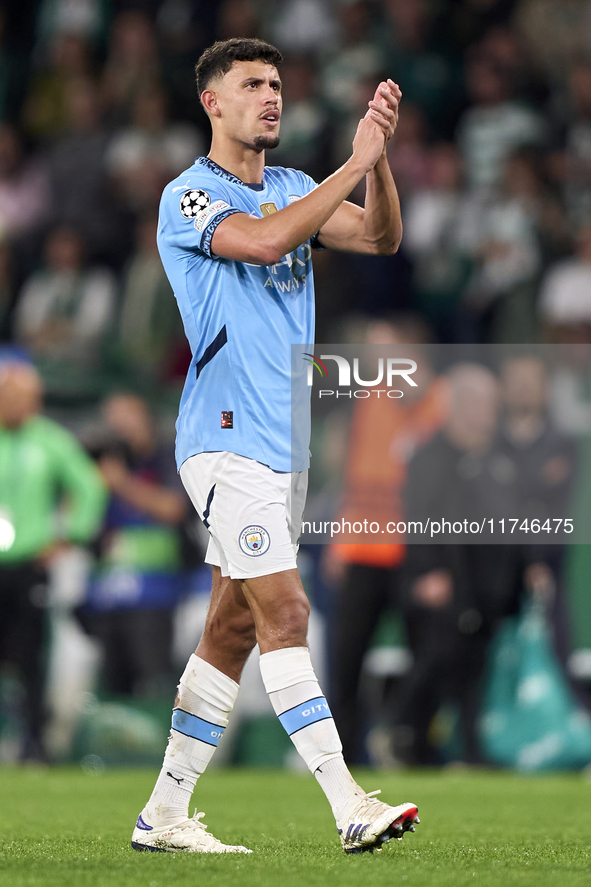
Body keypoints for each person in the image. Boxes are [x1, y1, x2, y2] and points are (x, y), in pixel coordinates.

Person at [131, 37, 419, 855]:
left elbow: (381, 240)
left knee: (230, 627)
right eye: (252, 84)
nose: (271, 97)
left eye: (277, 85)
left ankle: (164, 814)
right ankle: (347, 801)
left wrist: (376, 162)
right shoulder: (186, 196)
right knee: (287, 610)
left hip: (281, 445)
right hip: (221, 442)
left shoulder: (296, 187)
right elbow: (260, 243)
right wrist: (348, 167)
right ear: (211, 103)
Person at [0, 361, 106, 760]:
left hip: (29, 564)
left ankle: (32, 744)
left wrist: (69, 537)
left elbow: (90, 488)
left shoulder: (50, 441)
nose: (23, 406)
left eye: (30, 399)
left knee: (29, 658)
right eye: (15, 397)